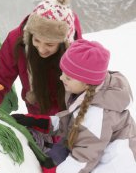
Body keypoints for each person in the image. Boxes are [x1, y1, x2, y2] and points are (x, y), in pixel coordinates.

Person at [0, 0, 82, 151]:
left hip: (67, 114)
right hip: (37, 112)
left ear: (64, 43)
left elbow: (86, 90)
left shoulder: (75, 49)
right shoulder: (17, 40)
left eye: (49, 44)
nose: (42, 49)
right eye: (37, 41)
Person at [15, 39, 136, 173]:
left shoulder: (97, 115)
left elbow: (84, 159)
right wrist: (42, 122)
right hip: (95, 150)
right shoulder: (89, 90)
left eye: (68, 78)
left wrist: (55, 171)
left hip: (114, 165)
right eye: (62, 73)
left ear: (86, 83)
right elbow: (76, 123)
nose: (61, 78)